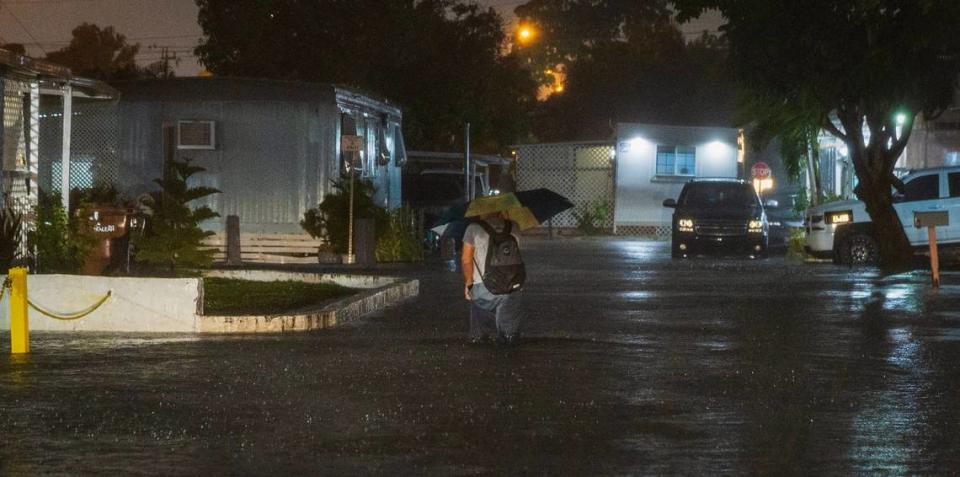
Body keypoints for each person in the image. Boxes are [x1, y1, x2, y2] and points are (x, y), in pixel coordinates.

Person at [461, 212, 524, 345]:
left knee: (477, 298)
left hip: (483, 286)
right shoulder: (515, 226)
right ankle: (508, 334)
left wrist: (468, 283)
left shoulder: (473, 228)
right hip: (512, 284)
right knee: (510, 330)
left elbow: (466, 260)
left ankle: (480, 335)